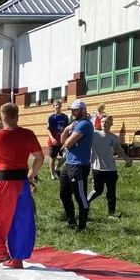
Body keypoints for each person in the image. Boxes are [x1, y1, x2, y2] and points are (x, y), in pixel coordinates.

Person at [0, 103, 44, 269]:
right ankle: (17, 259)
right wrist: (30, 176)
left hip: (3, 182)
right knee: (20, 220)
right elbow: (40, 158)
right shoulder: (28, 134)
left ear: (1, 117)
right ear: (17, 116)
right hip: (22, 182)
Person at [59, 99, 95, 231]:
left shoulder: (84, 124)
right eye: (72, 110)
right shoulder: (75, 124)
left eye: (75, 110)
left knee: (80, 197)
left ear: (83, 110)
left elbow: (67, 144)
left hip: (78, 166)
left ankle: (82, 226)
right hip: (69, 164)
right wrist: (67, 129)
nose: (73, 113)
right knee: (64, 194)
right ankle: (71, 221)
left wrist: (67, 138)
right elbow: (63, 142)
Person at [87, 116, 133, 215]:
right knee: (97, 191)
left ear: (111, 124)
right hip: (97, 169)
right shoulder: (94, 135)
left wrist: (127, 159)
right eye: (103, 122)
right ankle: (85, 203)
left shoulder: (114, 137)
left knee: (111, 192)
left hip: (111, 169)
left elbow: (119, 150)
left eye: (107, 122)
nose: (104, 124)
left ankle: (111, 213)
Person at [46, 100, 69, 180]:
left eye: (59, 105)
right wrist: (52, 139)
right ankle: (52, 174)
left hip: (62, 141)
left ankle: (57, 168)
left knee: (66, 156)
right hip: (53, 142)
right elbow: (48, 129)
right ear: (53, 107)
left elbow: (67, 129)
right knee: (53, 157)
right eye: (56, 105)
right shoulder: (51, 117)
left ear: (61, 106)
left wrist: (67, 139)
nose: (58, 106)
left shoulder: (65, 117)